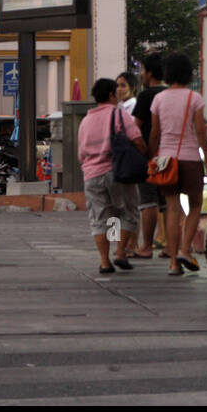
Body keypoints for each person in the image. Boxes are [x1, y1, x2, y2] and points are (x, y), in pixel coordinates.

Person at [149, 52, 207, 277]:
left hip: (166, 160)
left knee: (173, 209)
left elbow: (155, 133)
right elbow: (201, 131)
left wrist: (152, 157)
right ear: (188, 72)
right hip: (190, 159)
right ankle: (186, 249)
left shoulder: (159, 99)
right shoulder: (194, 98)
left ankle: (174, 262)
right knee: (195, 206)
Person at [78, 77, 147, 274]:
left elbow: (80, 154)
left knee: (101, 218)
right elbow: (137, 139)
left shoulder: (85, 121)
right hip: (116, 172)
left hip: (91, 175)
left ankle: (104, 261)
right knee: (128, 212)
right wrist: (145, 156)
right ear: (111, 95)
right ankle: (120, 252)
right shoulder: (118, 115)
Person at [129, 55, 167, 259]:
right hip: (170, 153)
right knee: (168, 201)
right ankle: (170, 245)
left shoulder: (146, 96)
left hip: (150, 154)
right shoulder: (170, 93)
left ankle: (145, 246)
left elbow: (137, 128)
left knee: (148, 201)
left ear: (150, 73)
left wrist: (141, 150)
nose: (141, 74)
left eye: (142, 70)